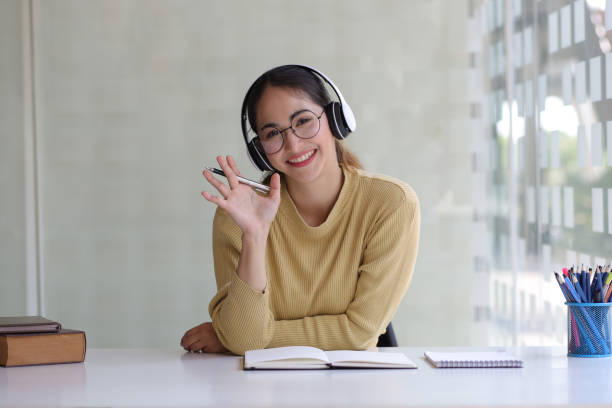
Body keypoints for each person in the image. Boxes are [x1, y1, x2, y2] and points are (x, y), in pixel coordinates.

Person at [180, 65, 420, 355]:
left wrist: (242, 338)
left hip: (357, 391)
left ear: (336, 120)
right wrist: (254, 236)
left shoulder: (390, 204)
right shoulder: (239, 216)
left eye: (304, 121)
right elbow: (244, 340)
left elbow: (359, 332)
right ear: (260, 150)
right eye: (272, 133)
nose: (293, 144)